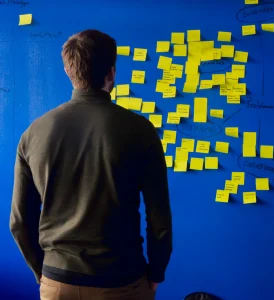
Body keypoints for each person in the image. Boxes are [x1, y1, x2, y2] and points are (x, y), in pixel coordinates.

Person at [9, 29, 172, 300]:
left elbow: (19, 221)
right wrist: (156, 273)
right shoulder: (141, 130)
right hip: (122, 282)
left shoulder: (33, 133)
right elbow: (160, 221)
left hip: (57, 282)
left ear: (68, 71)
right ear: (111, 73)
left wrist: (44, 273)